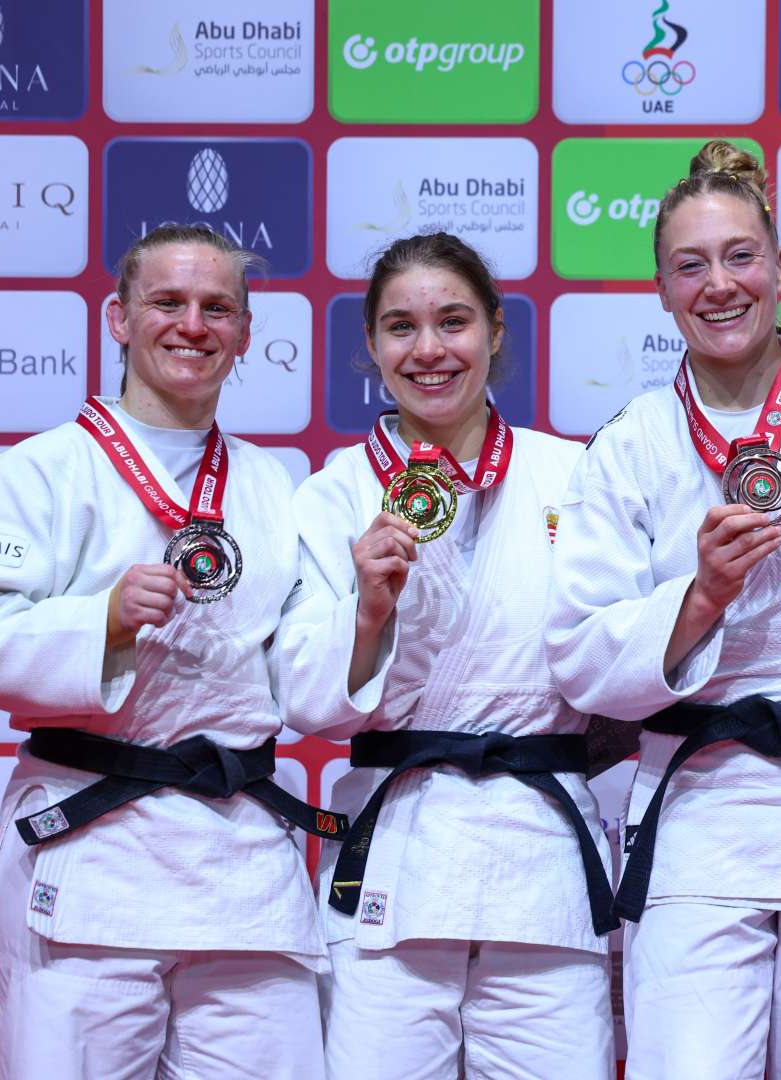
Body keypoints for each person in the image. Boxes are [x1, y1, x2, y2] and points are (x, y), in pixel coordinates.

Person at [544, 140, 781, 1079]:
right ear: (662, 292)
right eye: (690, 265)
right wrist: (702, 596)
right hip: (699, 814)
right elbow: (583, 654)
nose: (719, 284)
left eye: (740, 256)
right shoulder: (630, 444)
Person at [0, 224, 332, 1079]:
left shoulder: (271, 485)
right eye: (168, 303)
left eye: (217, 307)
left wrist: (370, 615)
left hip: (241, 863)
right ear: (118, 319)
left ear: (246, 333)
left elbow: (297, 667)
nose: (193, 325)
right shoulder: (38, 472)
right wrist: (101, 620)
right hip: (92, 851)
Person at [281, 232, 616, 1080]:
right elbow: (308, 705)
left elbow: (617, 662)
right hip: (397, 856)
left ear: (497, 331)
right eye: (401, 327)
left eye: (454, 322)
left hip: (540, 862)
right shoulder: (334, 493)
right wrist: (370, 610)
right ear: (371, 346)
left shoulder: (574, 476)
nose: (428, 351)